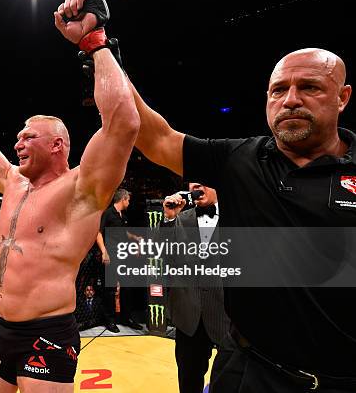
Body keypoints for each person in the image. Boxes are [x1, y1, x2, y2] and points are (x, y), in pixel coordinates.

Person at [125, 46, 356, 391]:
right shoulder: (239, 159)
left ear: (342, 97)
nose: (291, 100)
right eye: (279, 90)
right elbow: (152, 135)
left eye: (309, 87)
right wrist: (99, 48)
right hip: (247, 371)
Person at [0, 0, 140, 391]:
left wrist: (95, 42)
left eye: (28, 136)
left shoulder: (81, 189)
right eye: (18, 136)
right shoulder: (13, 181)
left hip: (47, 331)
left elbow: (122, 123)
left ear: (57, 145)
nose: (17, 142)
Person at [159, 184, 231, 393]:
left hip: (227, 314)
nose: (196, 186)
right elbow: (165, 256)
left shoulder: (237, 214)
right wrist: (170, 219)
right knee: (189, 381)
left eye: (203, 179)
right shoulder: (180, 217)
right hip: (189, 315)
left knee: (231, 381)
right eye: (193, 182)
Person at [96, 188, 144, 332]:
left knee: (127, 287)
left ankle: (126, 317)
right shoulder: (108, 213)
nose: (129, 203)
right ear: (123, 199)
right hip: (111, 255)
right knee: (110, 289)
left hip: (123, 255)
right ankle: (110, 321)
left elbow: (123, 232)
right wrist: (104, 252)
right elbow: (98, 232)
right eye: (128, 200)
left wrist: (135, 238)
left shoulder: (122, 215)